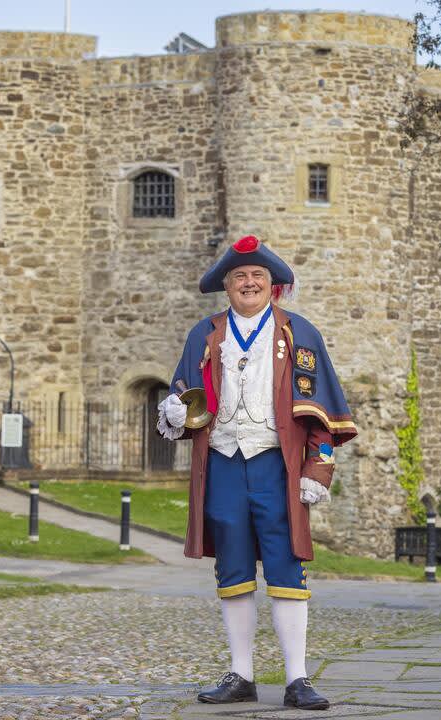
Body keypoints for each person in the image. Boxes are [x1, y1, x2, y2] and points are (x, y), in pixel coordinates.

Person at [157, 234, 357, 710]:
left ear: (274, 286)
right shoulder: (204, 333)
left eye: (258, 277)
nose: (249, 283)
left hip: (277, 465)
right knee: (233, 567)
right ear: (227, 286)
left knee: (287, 563)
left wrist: (318, 468)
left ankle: (297, 679)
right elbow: (185, 399)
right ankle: (241, 674)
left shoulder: (299, 333)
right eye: (240, 277)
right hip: (223, 463)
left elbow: (322, 412)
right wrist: (173, 410)